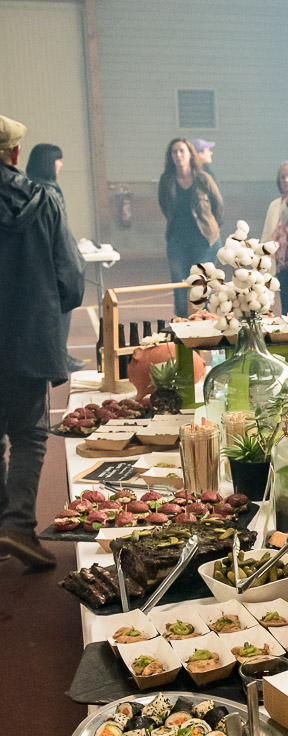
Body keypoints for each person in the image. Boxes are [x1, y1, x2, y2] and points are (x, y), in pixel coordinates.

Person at [0, 114, 84, 569]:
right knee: (29, 434)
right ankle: (16, 527)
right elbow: (69, 276)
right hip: (28, 337)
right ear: (15, 153)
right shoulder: (44, 199)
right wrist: (50, 308)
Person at [25, 142, 84, 373]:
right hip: (52, 262)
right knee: (61, 307)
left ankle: (58, 355)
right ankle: (59, 357)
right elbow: (58, 231)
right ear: (49, 163)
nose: (61, 164)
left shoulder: (30, 186)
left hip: (39, 261)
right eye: (58, 160)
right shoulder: (47, 192)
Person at [158, 137, 224, 318]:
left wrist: (212, 226)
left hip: (205, 240)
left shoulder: (203, 178)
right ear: (170, 156)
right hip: (177, 239)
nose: (178, 155)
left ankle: (204, 322)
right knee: (180, 285)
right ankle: (183, 323)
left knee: (201, 285)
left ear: (190, 154)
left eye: (182, 151)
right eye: (175, 152)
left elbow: (218, 205)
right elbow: (164, 205)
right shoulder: (166, 180)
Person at [261, 160, 288, 315]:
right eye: (282, 177)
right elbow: (267, 233)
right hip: (281, 264)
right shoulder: (274, 204)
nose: (286, 180)